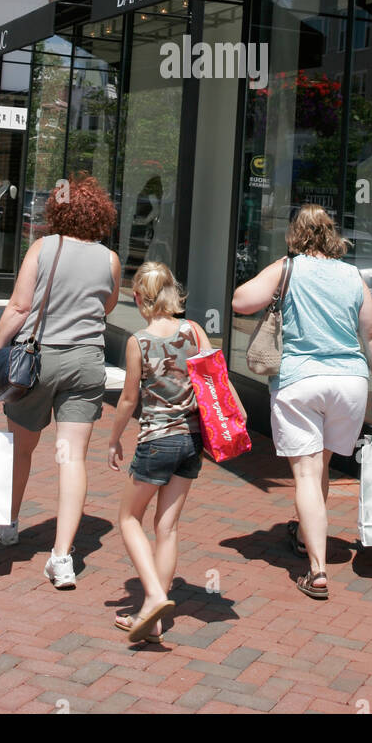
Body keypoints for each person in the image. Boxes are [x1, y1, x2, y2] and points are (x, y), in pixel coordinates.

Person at [232, 204, 372, 600]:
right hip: (349, 383)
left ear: (295, 234)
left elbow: (240, 302)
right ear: (331, 233)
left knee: (305, 473)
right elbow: (371, 335)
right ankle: (306, 536)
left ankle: (317, 570)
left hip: (300, 381)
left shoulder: (288, 268)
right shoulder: (353, 275)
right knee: (320, 467)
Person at [0, 174, 120, 589]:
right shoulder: (109, 259)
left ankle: (8, 524)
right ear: (99, 213)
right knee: (71, 457)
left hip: (38, 361)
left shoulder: (43, 247)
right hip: (88, 362)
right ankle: (62, 558)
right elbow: (105, 307)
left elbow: (20, 307)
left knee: (21, 449)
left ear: (59, 210)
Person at [107, 261, 246, 644]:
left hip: (157, 441)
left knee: (129, 519)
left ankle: (153, 597)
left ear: (138, 298)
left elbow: (128, 398)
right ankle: (153, 620)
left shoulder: (138, 342)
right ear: (171, 291)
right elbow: (218, 377)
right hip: (192, 441)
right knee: (166, 528)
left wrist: (114, 438)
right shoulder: (194, 330)